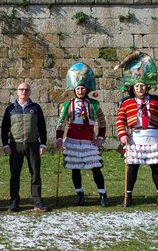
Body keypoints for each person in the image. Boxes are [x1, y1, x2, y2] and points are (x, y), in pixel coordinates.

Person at [115, 51, 158, 207]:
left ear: (147, 86)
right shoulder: (126, 103)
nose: (140, 88)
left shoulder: (157, 101)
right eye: (137, 86)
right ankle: (128, 196)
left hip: (153, 136)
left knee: (156, 166)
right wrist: (123, 135)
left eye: (142, 86)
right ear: (132, 87)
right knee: (132, 167)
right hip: (136, 137)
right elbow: (120, 120)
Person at [55, 63, 108, 207]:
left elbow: (102, 123)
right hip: (72, 139)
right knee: (75, 168)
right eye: (78, 88)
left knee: (95, 168)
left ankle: (102, 194)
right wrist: (59, 138)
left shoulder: (94, 104)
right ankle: (79, 194)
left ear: (87, 89)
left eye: (82, 88)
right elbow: (61, 123)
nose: (80, 91)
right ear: (74, 89)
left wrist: (100, 138)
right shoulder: (67, 105)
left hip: (89, 141)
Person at [1, 82, 48, 212]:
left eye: (26, 90)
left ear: (30, 92)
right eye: (21, 89)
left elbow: (42, 127)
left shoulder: (36, 108)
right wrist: (5, 144)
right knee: (14, 174)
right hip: (15, 145)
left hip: (33, 144)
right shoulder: (10, 109)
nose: (24, 92)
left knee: (35, 174)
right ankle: (14, 201)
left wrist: (43, 143)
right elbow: (4, 128)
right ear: (17, 92)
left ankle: (37, 201)